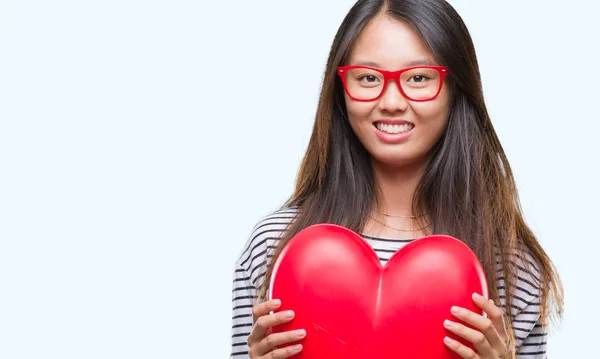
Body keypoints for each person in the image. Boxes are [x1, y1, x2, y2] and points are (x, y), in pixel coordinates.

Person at [230, 0, 564, 358]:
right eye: (368, 78)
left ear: (456, 88)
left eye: (419, 78)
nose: (391, 101)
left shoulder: (512, 266)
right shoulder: (275, 247)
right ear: (340, 90)